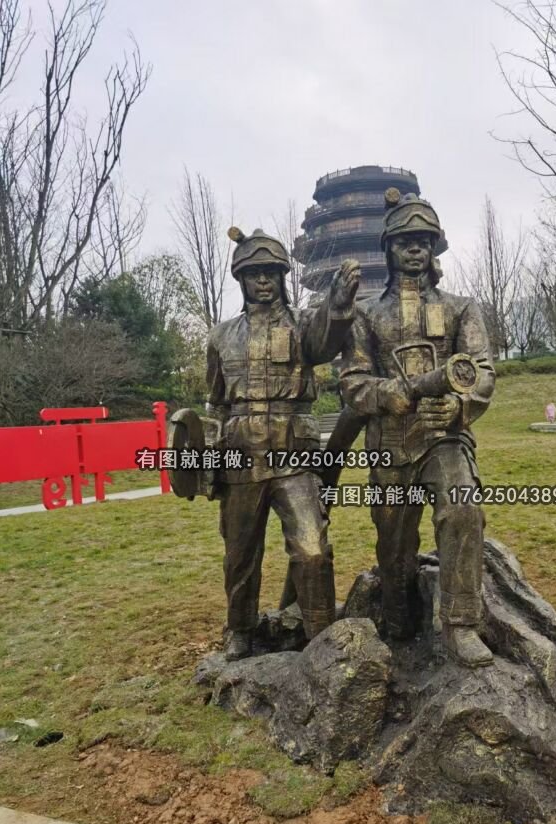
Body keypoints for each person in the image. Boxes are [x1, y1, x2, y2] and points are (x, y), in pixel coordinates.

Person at [339, 191, 496, 667]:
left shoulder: (461, 308)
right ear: (389, 248)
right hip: (389, 442)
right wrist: (388, 394)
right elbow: (353, 382)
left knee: (463, 509)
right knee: (394, 545)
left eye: (424, 241)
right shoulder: (366, 315)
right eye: (406, 240)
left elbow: (482, 370)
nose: (415, 249)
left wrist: (459, 405)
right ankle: (399, 619)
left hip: (443, 438)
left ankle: (461, 624)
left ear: (434, 248)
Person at [207, 227, 360, 660]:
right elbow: (216, 403)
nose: (263, 280)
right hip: (240, 456)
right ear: (241, 279)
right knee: (240, 553)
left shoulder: (303, 324)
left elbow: (325, 342)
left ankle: (320, 633)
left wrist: (339, 304)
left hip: (295, 455)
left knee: (312, 550)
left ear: (282, 277)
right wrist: (208, 460)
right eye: (254, 273)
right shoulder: (220, 336)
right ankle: (241, 629)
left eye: (270, 272)